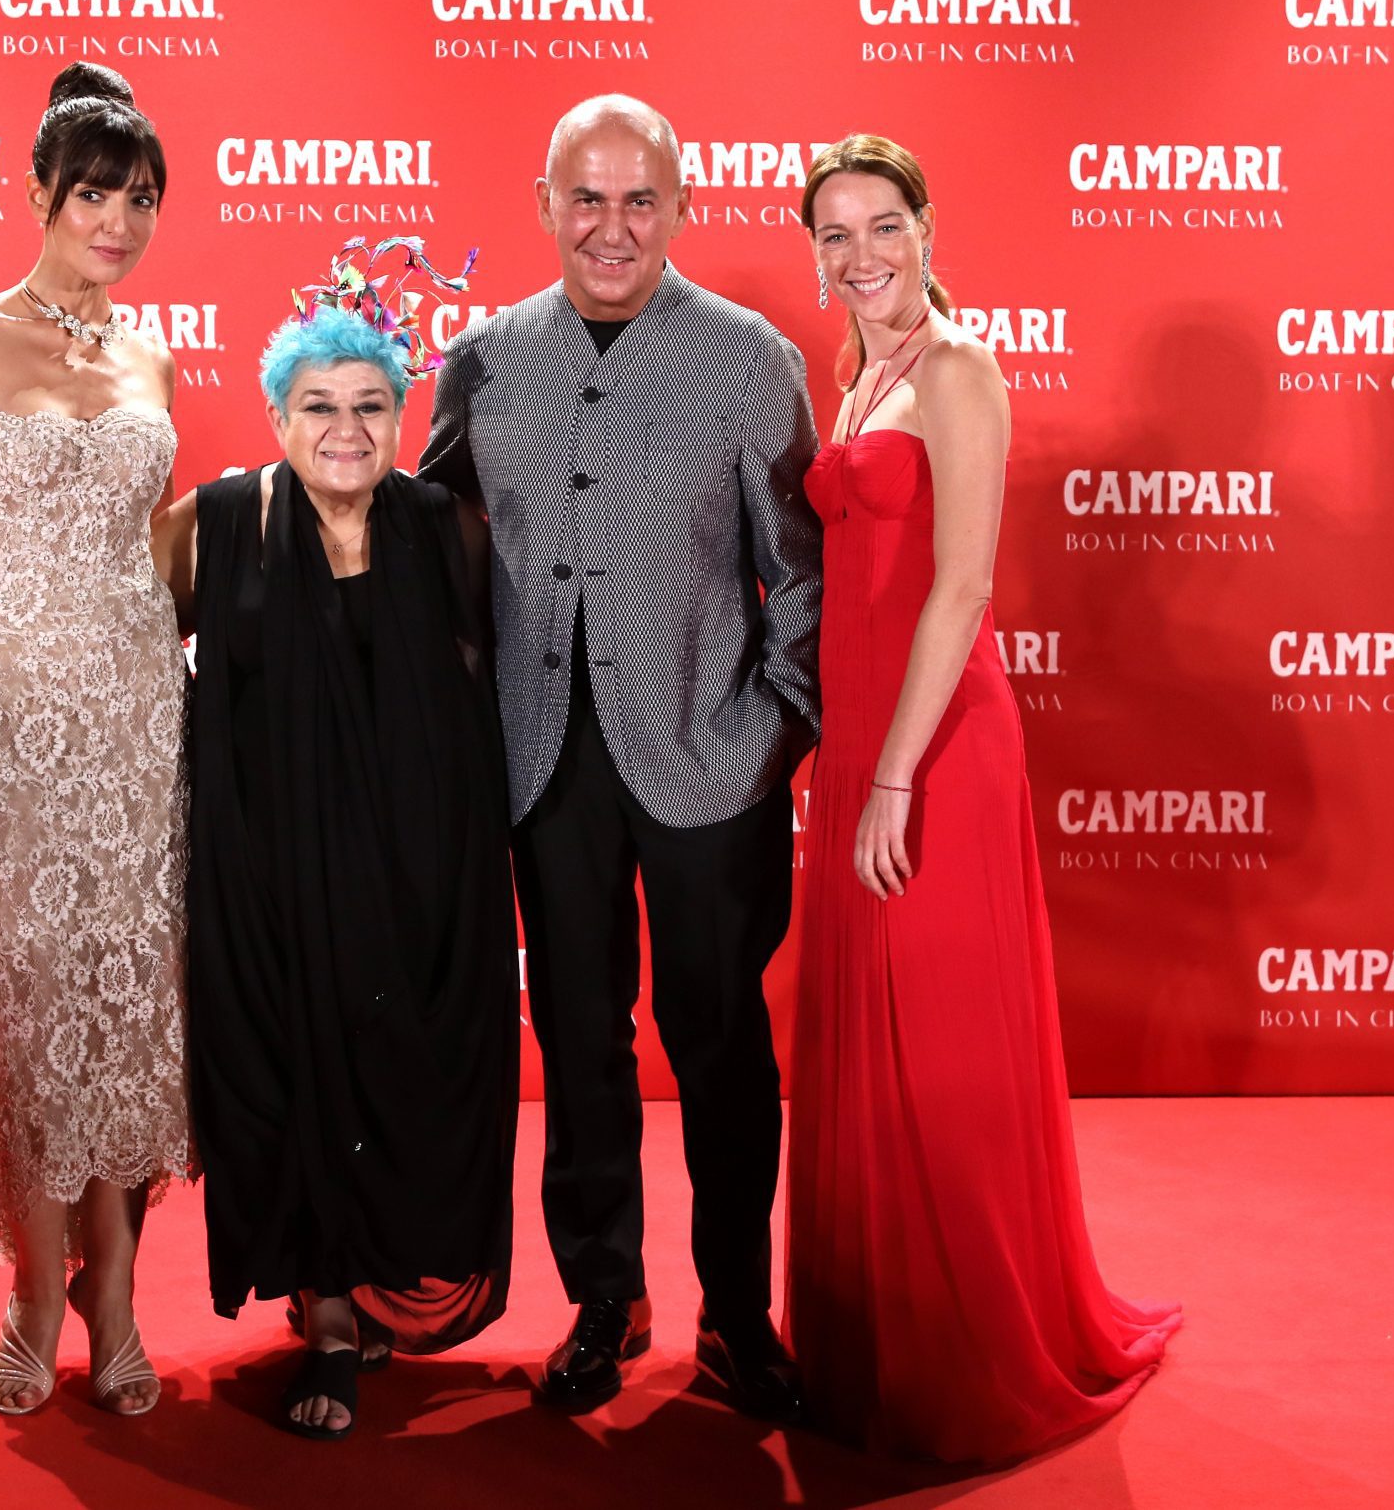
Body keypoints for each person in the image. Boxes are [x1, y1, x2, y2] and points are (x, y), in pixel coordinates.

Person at [0, 238, 520, 1443]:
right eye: (318, 406)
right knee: (283, 1074)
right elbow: (94, 602)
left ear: (402, 416)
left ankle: (362, 1292)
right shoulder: (215, 525)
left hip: (412, 876)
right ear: (276, 416)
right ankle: (322, 1315)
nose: (345, 429)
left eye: (370, 406)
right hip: (264, 874)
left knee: (403, 1073)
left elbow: (504, 678)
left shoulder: (446, 533)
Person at [420, 96, 821, 1421]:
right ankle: (605, 1301)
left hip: (711, 759)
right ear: (543, 205)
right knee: (578, 1041)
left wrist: (771, 731)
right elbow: (433, 552)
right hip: (543, 766)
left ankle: (737, 1311)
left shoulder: (750, 359)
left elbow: (800, 571)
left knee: (721, 1045)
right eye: (586, 198)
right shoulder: (481, 361)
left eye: (639, 199)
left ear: (681, 207)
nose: (611, 226)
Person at [787, 133, 1181, 1464]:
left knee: (940, 1042)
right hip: (861, 737)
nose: (861, 255)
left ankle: (968, 1354)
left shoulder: (957, 368)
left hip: (937, 745)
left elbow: (960, 586)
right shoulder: (851, 369)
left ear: (926, 226)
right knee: (869, 1043)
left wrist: (895, 772)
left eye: (882, 225)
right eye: (834, 234)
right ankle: (871, 1338)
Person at [0, 61, 193, 1420]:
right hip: (8, 719)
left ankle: (114, 1292)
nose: (117, 224)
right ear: (39, 193)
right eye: (93, 197)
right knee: (37, 1000)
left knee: (134, 1003)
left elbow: (153, 551)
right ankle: (33, 1290)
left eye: (141, 201)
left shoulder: (151, 358)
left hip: (142, 713)